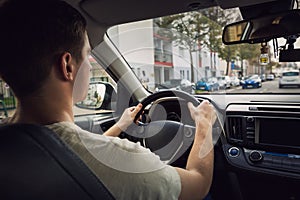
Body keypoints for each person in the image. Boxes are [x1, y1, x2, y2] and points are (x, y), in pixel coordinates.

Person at [0, 0, 217, 199]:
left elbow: (71, 158)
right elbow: (198, 184)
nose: (88, 64)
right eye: (87, 54)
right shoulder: (124, 161)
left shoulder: (12, 149)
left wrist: (120, 126)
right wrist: (205, 126)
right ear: (67, 66)